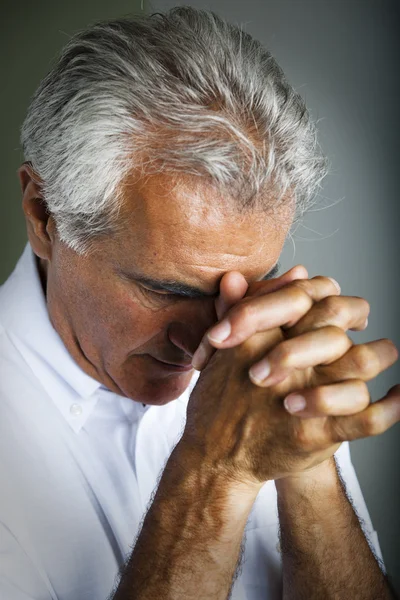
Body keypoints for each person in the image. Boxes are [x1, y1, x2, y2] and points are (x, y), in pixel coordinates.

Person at [1, 6, 398, 600]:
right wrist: (216, 471)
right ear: (43, 216)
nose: (209, 341)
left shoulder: (265, 360)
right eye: (166, 289)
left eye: (245, 286)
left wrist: (308, 459)